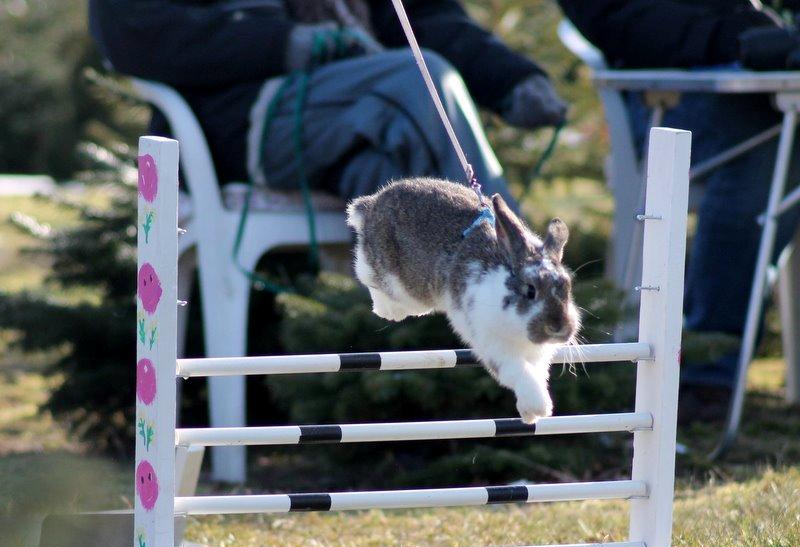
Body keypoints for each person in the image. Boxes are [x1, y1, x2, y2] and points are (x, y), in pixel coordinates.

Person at [558, 0, 800, 423]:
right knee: (769, 140)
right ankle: (709, 370)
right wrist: (735, 36)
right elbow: (612, 21)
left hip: (757, 74)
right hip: (661, 90)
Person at [89, 0, 567, 208]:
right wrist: (284, 44)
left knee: (396, 189)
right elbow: (128, 30)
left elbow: (419, 16)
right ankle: (514, 273)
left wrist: (511, 78)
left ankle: (428, 378)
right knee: (409, 81)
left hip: (344, 128)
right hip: (233, 122)